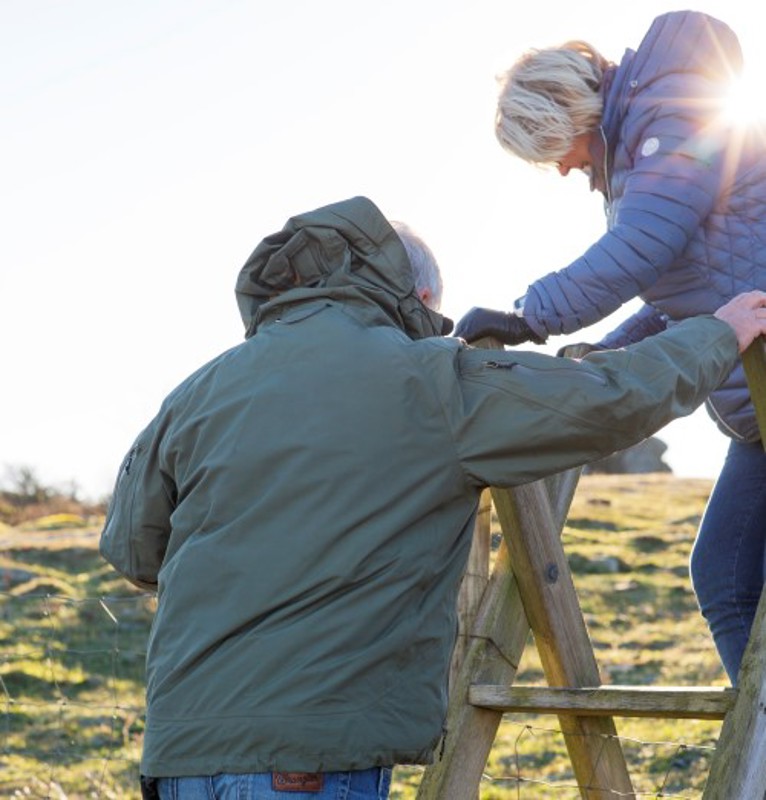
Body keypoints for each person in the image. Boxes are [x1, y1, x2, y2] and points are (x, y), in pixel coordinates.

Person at [100, 195, 766, 799]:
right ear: (414, 292)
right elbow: (603, 401)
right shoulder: (428, 380)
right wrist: (717, 332)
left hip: (178, 751)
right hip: (308, 759)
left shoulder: (199, 391)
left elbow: (130, 547)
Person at [454, 10, 766, 686]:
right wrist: (605, 352)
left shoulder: (670, 118)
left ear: (569, 115)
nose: (562, 170)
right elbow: (677, 290)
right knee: (724, 575)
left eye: (551, 149)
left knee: (731, 579)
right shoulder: (641, 149)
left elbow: (636, 255)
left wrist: (526, 317)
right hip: (754, 415)